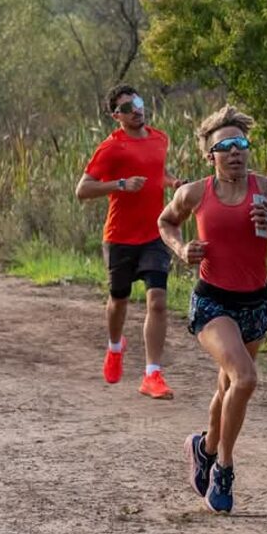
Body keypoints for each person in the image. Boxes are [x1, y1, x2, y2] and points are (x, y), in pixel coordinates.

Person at [158, 105, 267, 514]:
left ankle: (204, 447)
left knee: (227, 388)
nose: (235, 151)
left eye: (240, 143)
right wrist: (181, 249)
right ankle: (224, 468)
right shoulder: (194, 193)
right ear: (210, 155)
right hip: (212, 301)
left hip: (255, 304)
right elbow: (166, 222)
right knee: (244, 379)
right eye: (224, 146)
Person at [75, 84, 185, 400]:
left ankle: (153, 374)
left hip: (155, 233)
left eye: (137, 102)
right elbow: (82, 190)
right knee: (118, 301)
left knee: (158, 300)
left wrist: (174, 183)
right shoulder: (111, 147)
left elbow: (157, 173)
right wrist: (120, 184)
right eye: (126, 108)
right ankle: (114, 346)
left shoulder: (160, 138)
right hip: (120, 237)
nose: (135, 109)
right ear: (116, 116)